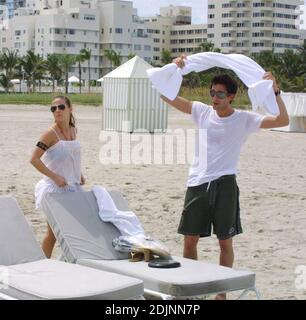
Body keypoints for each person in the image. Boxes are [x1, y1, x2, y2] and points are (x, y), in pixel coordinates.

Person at [161, 54, 289, 300]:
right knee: (189, 240)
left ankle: (221, 294)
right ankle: (192, 289)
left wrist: (275, 91)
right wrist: (174, 69)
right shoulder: (201, 112)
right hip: (197, 183)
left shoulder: (244, 119)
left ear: (231, 96)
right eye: (212, 93)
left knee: (225, 242)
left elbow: (283, 120)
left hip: (226, 184)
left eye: (220, 94)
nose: (215, 98)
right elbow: (166, 95)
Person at [30, 96, 85, 258]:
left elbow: (71, 156)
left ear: (70, 108)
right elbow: (34, 159)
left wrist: (79, 174)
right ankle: (42, 264)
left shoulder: (74, 130)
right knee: (53, 232)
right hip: (53, 190)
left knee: (72, 229)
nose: (57, 111)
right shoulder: (49, 134)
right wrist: (54, 177)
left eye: (61, 107)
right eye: (53, 109)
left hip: (72, 187)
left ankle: (66, 263)